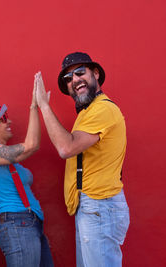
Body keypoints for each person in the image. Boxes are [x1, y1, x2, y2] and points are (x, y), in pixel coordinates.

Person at [35, 52, 130, 267]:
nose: (74, 80)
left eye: (80, 72)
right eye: (68, 78)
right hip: (93, 207)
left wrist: (44, 105)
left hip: (99, 206)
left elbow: (65, 147)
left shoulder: (103, 109)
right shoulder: (88, 113)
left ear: (95, 73)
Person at [0, 75, 53, 267]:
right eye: (3, 119)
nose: (9, 121)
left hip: (29, 224)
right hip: (19, 225)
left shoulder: (1, 157)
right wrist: (34, 106)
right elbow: (31, 145)